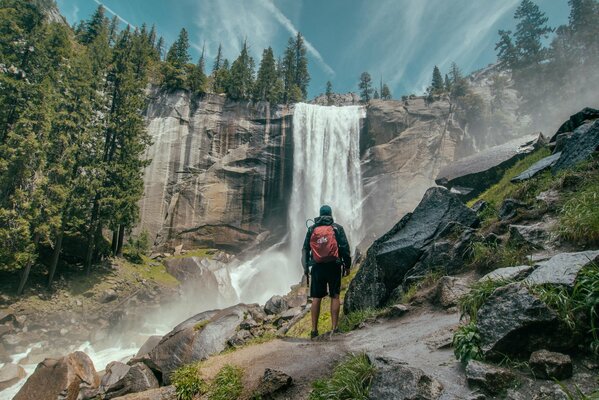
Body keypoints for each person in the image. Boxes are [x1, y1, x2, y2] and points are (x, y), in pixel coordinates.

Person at [302, 204, 351, 339]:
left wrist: (306, 268)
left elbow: (305, 249)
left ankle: (314, 331)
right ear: (330, 215)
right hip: (334, 266)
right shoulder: (336, 228)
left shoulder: (312, 229)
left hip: (317, 267)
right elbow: (345, 248)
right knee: (335, 296)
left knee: (316, 298)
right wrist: (347, 265)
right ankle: (334, 329)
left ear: (319, 214)